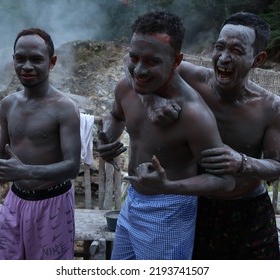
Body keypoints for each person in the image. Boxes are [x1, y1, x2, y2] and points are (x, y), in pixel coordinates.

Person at [130, 12, 280, 259]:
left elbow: (277, 166)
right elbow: (135, 64)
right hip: (195, 206)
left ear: (258, 59)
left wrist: (243, 162)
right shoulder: (192, 78)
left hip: (248, 210)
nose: (224, 58)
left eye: (236, 50)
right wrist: (149, 99)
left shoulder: (270, 108)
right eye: (219, 47)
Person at [98, 10, 235, 260]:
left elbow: (225, 180)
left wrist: (170, 186)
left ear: (176, 60)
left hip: (171, 211)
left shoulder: (193, 114)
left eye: (151, 61)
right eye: (134, 57)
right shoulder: (127, 87)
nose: (138, 69)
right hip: (132, 202)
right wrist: (108, 138)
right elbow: (115, 116)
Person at [0, 28, 81, 260]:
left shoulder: (64, 108)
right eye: (20, 58)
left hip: (53, 204)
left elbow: (72, 167)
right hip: (15, 200)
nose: (27, 66)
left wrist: (25, 170)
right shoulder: (9, 105)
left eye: (36, 59)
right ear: (13, 60)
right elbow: (2, 158)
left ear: (52, 62)